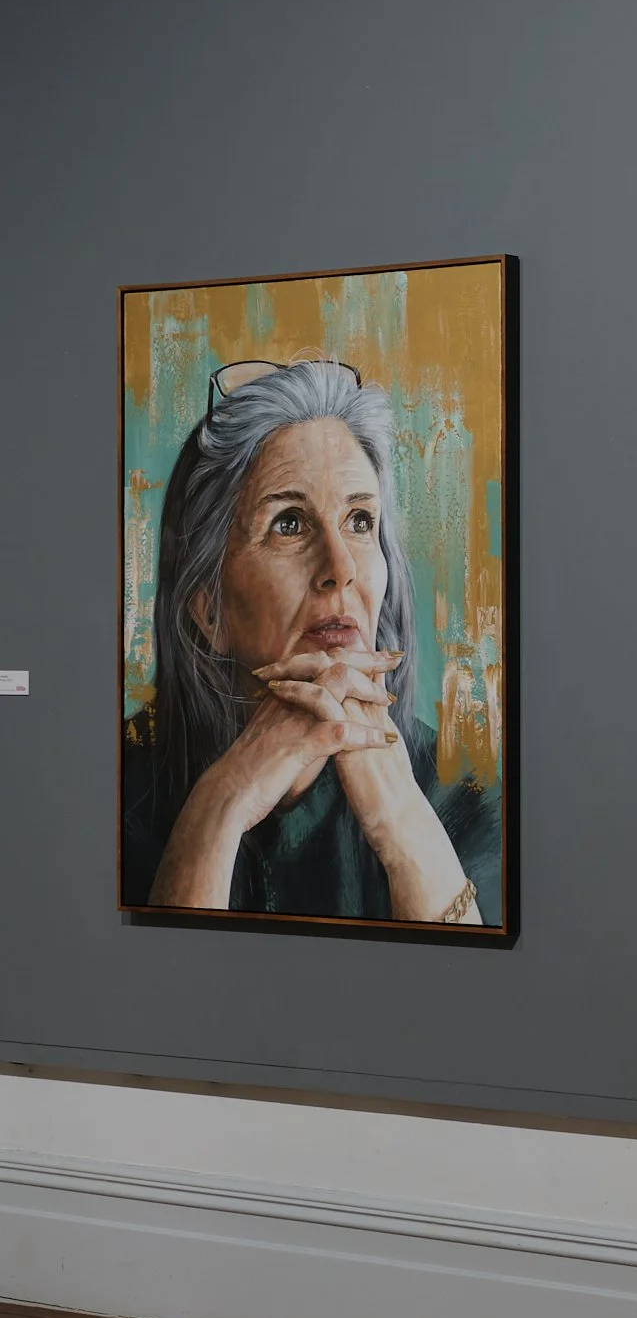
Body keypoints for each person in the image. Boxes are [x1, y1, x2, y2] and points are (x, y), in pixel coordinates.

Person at [122, 357, 501, 925]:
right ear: (209, 609)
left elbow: (477, 980)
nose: (341, 569)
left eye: (360, 520)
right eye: (290, 524)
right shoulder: (120, 789)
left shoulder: (465, 793)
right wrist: (220, 804)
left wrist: (400, 823)